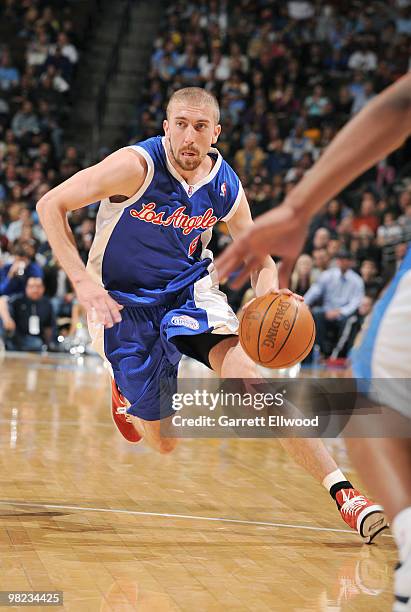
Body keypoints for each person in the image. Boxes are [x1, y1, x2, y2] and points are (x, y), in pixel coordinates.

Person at [37, 87, 384, 543]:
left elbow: (261, 259)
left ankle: (343, 493)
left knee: (253, 382)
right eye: (180, 124)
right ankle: (122, 388)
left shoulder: (225, 185)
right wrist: (82, 282)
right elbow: (50, 205)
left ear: (215, 133)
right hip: (123, 305)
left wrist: (267, 299)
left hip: (189, 293)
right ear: (166, 127)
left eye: (200, 127)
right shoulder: (134, 166)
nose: (189, 136)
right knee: (163, 442)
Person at [215, 75, 411, 610]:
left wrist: (300, 207)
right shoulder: (141, 165)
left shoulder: (223, 185)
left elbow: (398, 104)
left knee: (369, 399)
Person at [304, 249, 364, 361]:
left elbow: (356, 302)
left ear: (350, 262)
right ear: (337, 262)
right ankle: (320, 351)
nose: (342, 262)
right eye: (340, 260)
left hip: (344, 313)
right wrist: (303, 303)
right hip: (327, 311)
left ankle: (339, 355)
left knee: (350, 320)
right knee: (316, 313)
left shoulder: (357, 280)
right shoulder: (327, 275)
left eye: (345, 260)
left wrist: (340, 311)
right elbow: (315, 291)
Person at [0, 276, 55, 351]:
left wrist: (49, 343)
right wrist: (7, 319)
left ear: (43, 288)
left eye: (38, 287)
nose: (35, 290)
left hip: (37, 338)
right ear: (26, 288)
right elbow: (2, 300)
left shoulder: (47, 304)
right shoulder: (18, 300)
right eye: (31, 286)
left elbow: (49, 327)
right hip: (17, 337)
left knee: (39, 344)